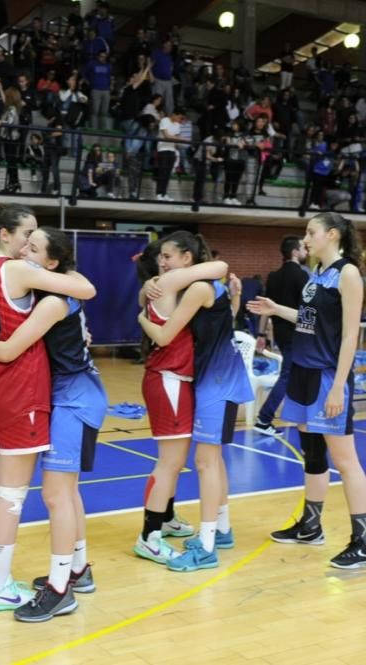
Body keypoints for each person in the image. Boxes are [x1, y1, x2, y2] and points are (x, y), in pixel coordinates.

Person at [0, 205, 95, 612]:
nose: (29, 242)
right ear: (5, 235)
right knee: (12, 494)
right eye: (27, 234)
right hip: (21, 390)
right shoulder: (15, 270)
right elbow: (86, 289)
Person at [247, 213, 366, 569]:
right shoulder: (317, 274)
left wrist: (338, 386)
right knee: (313, 454)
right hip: (302, 372)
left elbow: (351, 334)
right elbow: (310, 320)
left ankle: (362, 541)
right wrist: (277, 310)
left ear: (332, 235)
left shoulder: (348, 273)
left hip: (326, 376)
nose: (306, 239)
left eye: (311, 232)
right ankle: (310, 526)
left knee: (346, 461)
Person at [138, 231, 253, 572]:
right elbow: (222, 317)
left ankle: (204, 546)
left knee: (205, 463)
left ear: (188, 259)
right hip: (220, 376)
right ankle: (221, 529)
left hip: (215, 379)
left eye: (169, 256)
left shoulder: (198, 286)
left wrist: (140, 318)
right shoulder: (205, 285)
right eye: (160, 258)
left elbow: (163, 335)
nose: (163, 263)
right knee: (213, 460)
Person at [254, 236, 310, 437]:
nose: (307, 251)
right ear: (295, 252)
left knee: (296, 375)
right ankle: (264, 419)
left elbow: (265, 308)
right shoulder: (302, 277)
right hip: (299, 335)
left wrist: (261, 334)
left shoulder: (273, 276)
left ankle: (301, 415)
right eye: (303, 248)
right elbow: (308, 310)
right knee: (288, 376)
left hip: (281, 335)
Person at [155, 107, 183, 202]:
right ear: (174, 114)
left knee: (167, 173)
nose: (180, 120)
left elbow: (176, 138)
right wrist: (180, 139)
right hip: (162, 149)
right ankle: (158, 193)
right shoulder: (164, 120)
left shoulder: (177, 124)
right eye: (179, 117)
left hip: (172, 150)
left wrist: (176, 150)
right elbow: (166, 136)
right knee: (162, 172)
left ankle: (164, 193)